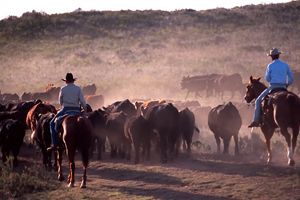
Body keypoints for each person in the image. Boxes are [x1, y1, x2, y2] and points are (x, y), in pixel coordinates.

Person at [248, 48, 294, 128]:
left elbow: (267, 78)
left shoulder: (270, 65)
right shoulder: (285, 65)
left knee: (258, 101)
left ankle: (256, 121)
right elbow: (291, 78)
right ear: (279, 55)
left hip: (273, 87)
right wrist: (286, 84)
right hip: (283, 87)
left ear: (271, 57)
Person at [47, 73, 87, 151]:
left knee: (52, 123)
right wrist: (84, 110)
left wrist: (63, 106)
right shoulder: (78, 88)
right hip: (76, 110)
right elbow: (82, 101)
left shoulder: (63, 89)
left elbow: (60, 101)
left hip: (66, 109)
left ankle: (54, 144)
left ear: (66, 81)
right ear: (73, 81)